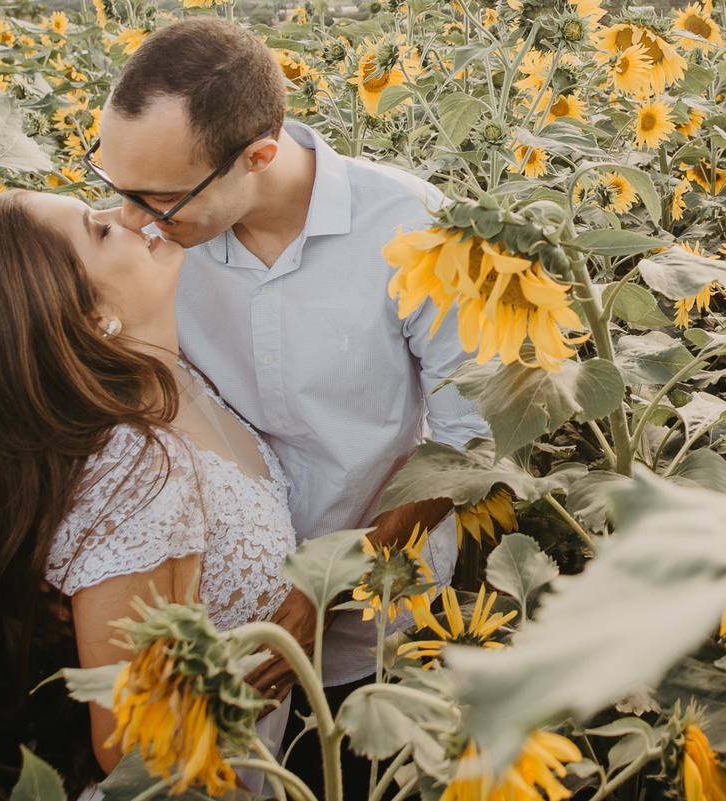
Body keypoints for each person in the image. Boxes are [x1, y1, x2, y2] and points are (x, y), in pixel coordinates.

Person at [86, 16, 489, 795]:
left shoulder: (411, 227)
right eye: (118, 189)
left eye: (159, 199)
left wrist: (320, 590)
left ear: (258, 156)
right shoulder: (155, 241)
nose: (135, 221)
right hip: (221, 634)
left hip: (381, 623)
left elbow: (470, 445)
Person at [0, 189, 296, 799]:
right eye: (100, 229)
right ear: (89, 318)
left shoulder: (169, 378)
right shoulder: (135, 471)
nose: (131, 214)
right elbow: (139, 757)